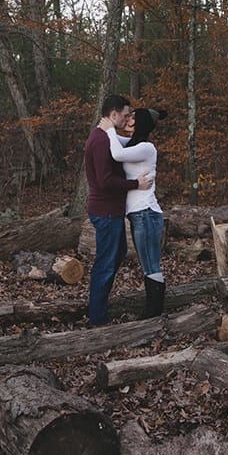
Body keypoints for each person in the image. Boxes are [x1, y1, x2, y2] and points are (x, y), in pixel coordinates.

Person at [84, 95, 153, 327]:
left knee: (117, 253)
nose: (127, 119)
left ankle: (99, 307)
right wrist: (136, 184)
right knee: (105, 263)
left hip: (110, 211)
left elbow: (128, 147)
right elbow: (105, 181)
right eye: (125, 115)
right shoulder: (101, 141)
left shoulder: (105, 137)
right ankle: (98, 319)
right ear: (113, 114)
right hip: (105, 212)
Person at [99, 107, 168, 318]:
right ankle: (153, 313)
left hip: (145, 213)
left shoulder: (147, 148)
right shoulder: (133, 145)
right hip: (140, 215)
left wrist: (109, 128)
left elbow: (116, 153)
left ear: (142, 124)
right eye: (127, 117)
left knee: (150, 265)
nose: (128, 120)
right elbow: (112, 143)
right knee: (148, 264)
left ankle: (154, 315)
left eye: (133, 118)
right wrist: (107, 129)